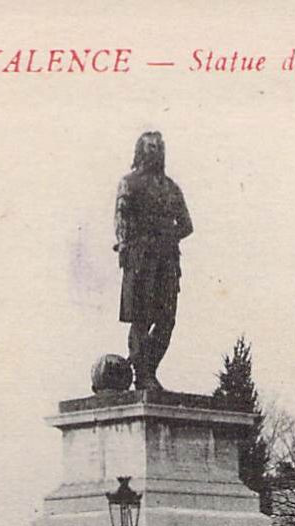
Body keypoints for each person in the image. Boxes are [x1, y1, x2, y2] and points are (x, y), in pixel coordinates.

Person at [114, 130, 193, 391]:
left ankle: (149, 368)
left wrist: (166, 235)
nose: (154, 151)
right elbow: (122, 219)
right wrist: (130, 242)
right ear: (140, 151)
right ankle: (142, 373)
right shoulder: (129, 183)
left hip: (167, 260)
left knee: (167, 318)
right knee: (141, 317)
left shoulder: (171, 188)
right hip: (141, 260)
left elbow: (187, 224)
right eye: (149, 147)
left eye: (158, 147)